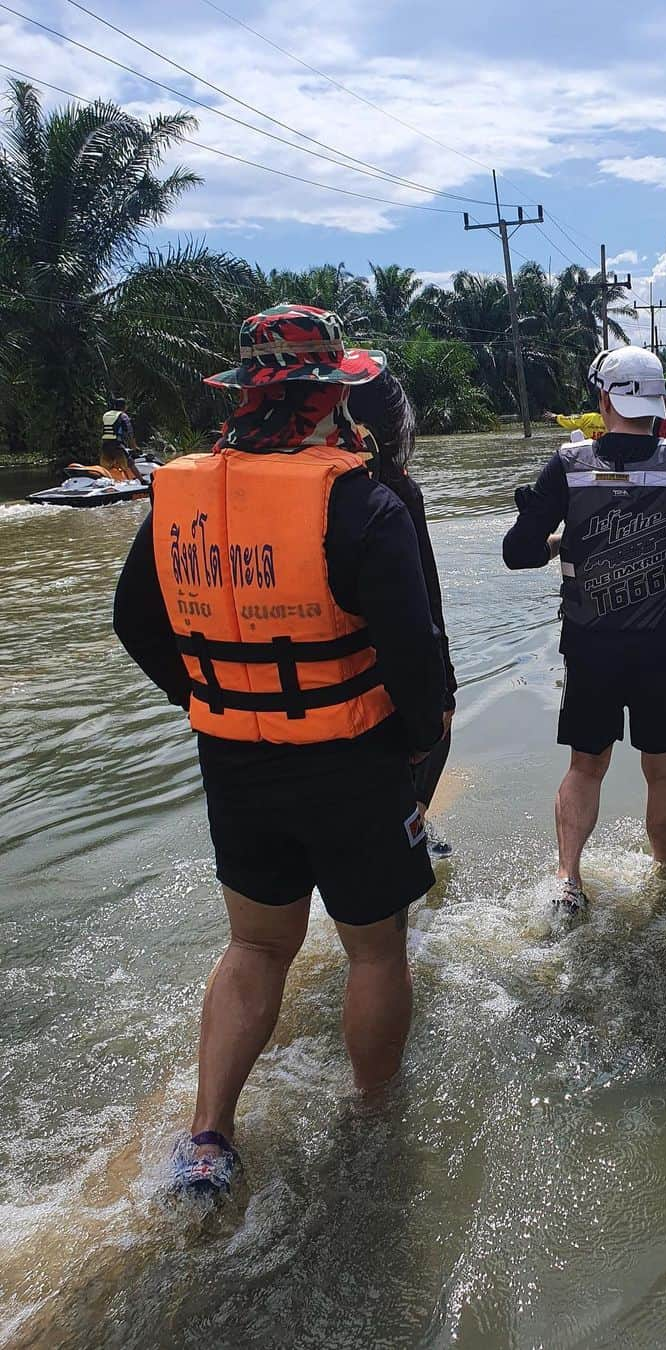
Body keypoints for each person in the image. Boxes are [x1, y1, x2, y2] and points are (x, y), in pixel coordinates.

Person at [113, 305, 446, 1198]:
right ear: (331, 394)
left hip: (234, 761)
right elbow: (417, 659)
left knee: (256, 947)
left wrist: (212, 698)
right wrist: (419, 757)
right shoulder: (362, 498)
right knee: (376, 953)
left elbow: (132, 622)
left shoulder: (179, 493)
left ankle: (209, 1138)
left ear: (249, 393)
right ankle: (373, 1114)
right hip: (351, 757)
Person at [503, 346, 666, 915]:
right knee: (662, 768)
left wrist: (558, 538)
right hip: (664, 646)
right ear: (657, 405)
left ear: (603, 400)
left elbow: (517, 552)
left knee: (586, 764)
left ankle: (567, 881)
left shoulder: (569, 464)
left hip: (589, 644)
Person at [348, 367, 458, 853]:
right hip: (375, 697)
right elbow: (422, 614)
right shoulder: (392, 494)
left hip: (252, 726)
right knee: (434, 728)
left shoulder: (288, 489)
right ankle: (410, 827)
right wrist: (441, 696)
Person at [100, 397, 145, 481]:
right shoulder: (123, 416)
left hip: (105, 444)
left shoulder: (106, 415)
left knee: (106, 467)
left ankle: (107, 482)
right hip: (117, 445)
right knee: (130, 463)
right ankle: (142, 481)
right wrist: (134, 447)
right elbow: (129, 433)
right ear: (124, 407)